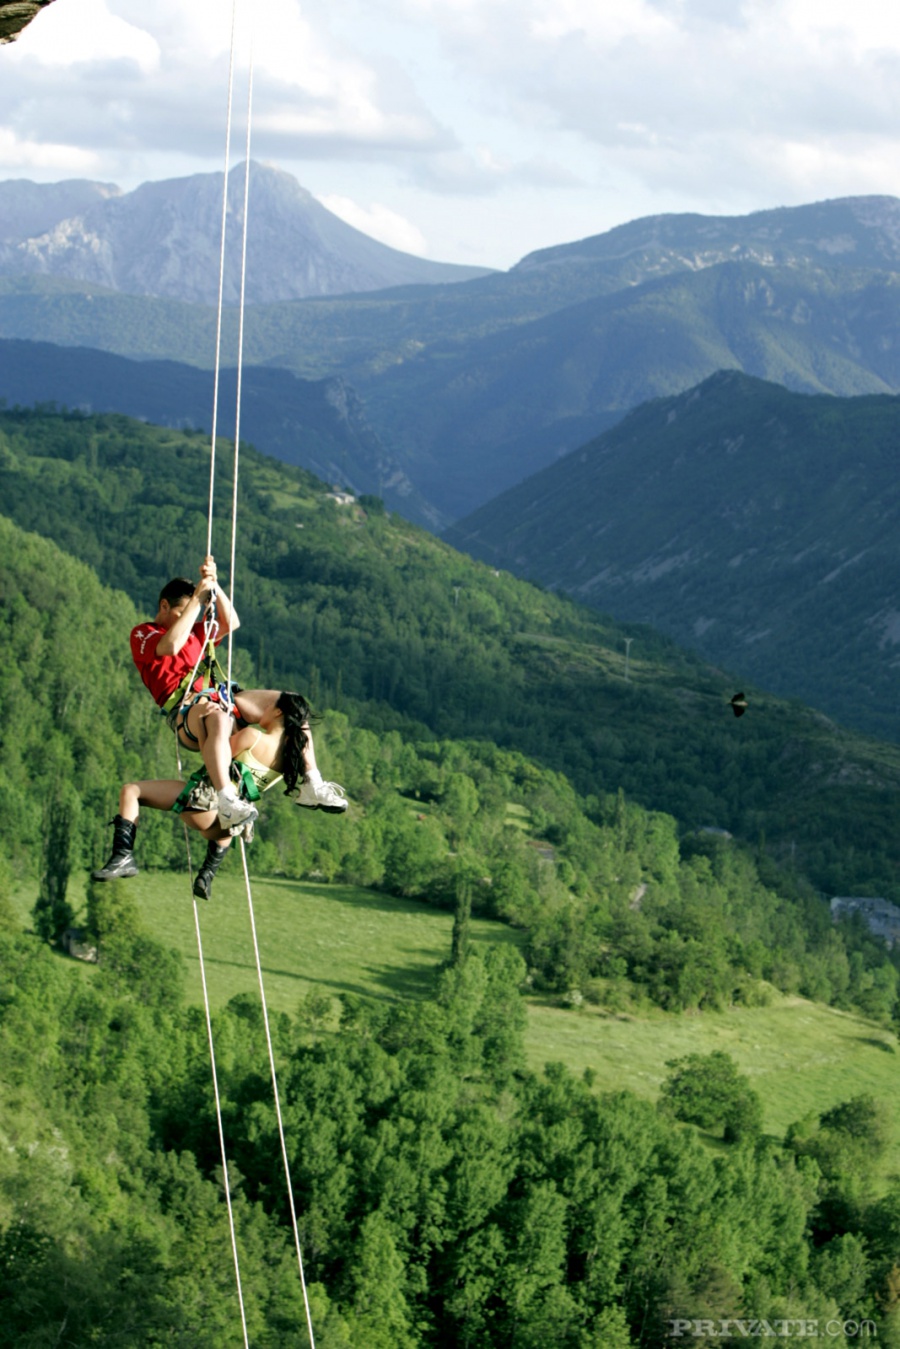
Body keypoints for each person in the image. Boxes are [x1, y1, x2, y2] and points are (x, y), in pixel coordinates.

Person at [129, 557, 346, 831]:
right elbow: (171, 646)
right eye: (184, 612)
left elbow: (231, 622)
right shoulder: (144, 634)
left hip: (219, 696)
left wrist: (215, 587)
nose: (190, 618)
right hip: (188, 709)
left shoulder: (198, 632)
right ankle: (226, 798)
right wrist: (197, 599)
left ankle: (312, 782)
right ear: (164, 606)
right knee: (218, 717)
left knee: (292, 704)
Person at [93, 692, 342, 900]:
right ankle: (207, 873)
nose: (261, 711)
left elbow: (213, 755)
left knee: (131, 791)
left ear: (277, 713)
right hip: (224, 830)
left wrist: (205, 722)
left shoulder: (252, 737)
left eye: (267, 707)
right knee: (235, 805)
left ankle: (123, 855)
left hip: (204, 806)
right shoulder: (289, 760)